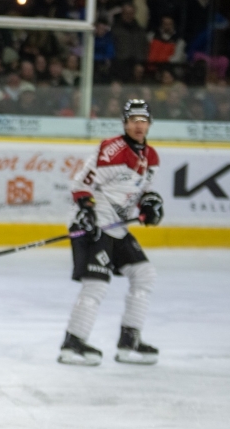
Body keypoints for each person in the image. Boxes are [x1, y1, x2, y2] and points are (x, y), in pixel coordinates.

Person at [58, 99, 163, 367]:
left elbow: (137, 191)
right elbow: (81, 183)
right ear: (125, 123)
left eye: (143, 120)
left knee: (144, 274)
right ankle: (72, 344)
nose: (139, 125)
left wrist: (148, 204)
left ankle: (129, 341)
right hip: (95, 224)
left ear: (150, 123)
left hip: (118, 226)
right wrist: (85, 210)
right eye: (133, 120)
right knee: (96, 284)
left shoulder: (151, 157)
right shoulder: (112, 149)